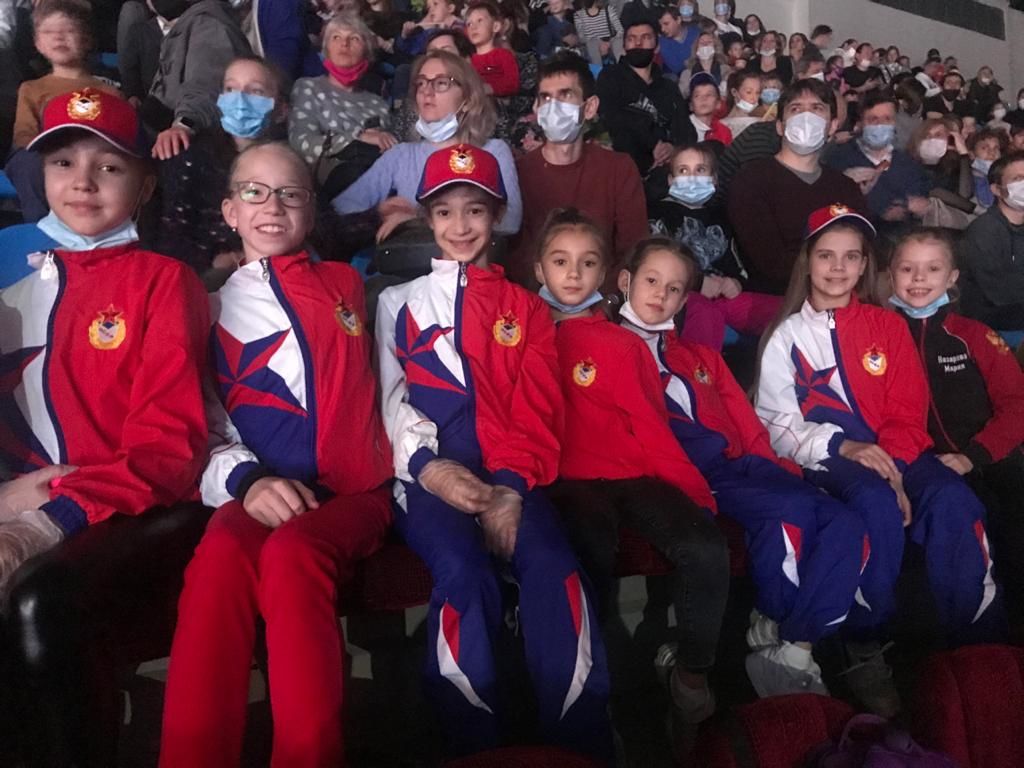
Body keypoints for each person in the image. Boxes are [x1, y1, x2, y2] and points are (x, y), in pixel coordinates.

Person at [158, 141, 392, 767]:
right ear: (230, 210)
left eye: (290, 194)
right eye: (255, 192)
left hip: (355, 494)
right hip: (257, 490)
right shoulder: (205, 307)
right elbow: (199, 423)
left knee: (292, 555)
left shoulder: (346, 284)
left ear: (310, 211)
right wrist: (247, 482)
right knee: (219, 557)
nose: (272, 206)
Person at [375, 144, 611, 760]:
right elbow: (390, 401)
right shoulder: (396, 304)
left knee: (556, 568)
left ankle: (579, 744)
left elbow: (538, 407)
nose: (460, 226)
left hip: (513, 478)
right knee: (464, 573)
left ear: (498, 215)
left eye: (475, 210)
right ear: (428, 218)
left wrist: (508, 487)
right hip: (426, 478)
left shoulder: (527, 308)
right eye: (445, 211)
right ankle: (470, 743)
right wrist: (429, 468)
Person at [0, 87, 209, 765]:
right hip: (20, 501)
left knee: (38, 598)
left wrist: (45, 520)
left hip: (130, 505)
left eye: (110, 166)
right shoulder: (12, 285)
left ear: (144, 186)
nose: (83, 181)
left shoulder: (163, 280)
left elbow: (168, 447)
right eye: (63, 163)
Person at [757, 205, 1003, 681]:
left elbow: (908, 411)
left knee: (953, 499)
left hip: (899, 453)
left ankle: (979, 648)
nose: (838, 267)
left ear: (865, 265)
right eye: (826, 255)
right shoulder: (785, 337)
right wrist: (842, 447)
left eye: (851, 256)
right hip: (829, 459)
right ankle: (865, 643)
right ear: (807, 262)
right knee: (875, 503)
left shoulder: (886, 325)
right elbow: (777, 424)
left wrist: (893, 467)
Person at [617, 236, 868, 698]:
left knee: (846, 521)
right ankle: (784, 641)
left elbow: (746, 423)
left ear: (684, 300)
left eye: (674, 288)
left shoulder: (699, 357)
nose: (661, 294)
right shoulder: (609, 351)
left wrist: (775, 467)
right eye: (651, 281)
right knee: (792, 512)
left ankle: (789, 645)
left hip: (742, 466)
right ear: (625, 282)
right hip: (695, 476)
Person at [535, 208, 729, 729]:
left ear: (605, 275)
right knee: (590, 545)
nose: (573, 274)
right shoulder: (523, 335)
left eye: (587, 263)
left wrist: (696, 496)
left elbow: (652, 429)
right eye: (560, 261)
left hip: (632, 475)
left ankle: (691, 676)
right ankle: (591, 685)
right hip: (563, 480)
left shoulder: (622, 345)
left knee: (705, 547)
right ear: (540, 269)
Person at [888, 228, 1024, 623]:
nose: (918, 278)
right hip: (921, 466)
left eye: (933, 269)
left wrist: (973, 456)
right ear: (889, 274)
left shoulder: (975, 335)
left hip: (991, 457)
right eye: (907, 268)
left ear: (952, 277)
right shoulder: (879, 335)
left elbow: (1017, 405)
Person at [334, 49, 521, 243]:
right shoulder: (401, 155)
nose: (426, 91)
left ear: (467, 100)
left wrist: (418, 221)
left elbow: (510, 222)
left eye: (441, 83)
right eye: (421, 83)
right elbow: (340, 209)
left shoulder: (494, 151)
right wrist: (377, 214)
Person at [507, 51, 646, 289]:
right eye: (546, 98)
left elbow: (633, 251)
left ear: (589, 107)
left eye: (565, 95)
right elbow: (517, 259)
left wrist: (603, 302)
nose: (554, 107)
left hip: (603, 300)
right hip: (535, 302)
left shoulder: (619, 169)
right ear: (537, 108)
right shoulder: (517, 174)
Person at [727, 78, 865, 295]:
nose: (806, 117)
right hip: (776, 300)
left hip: (842, 298)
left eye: (817, 108)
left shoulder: (846, 188)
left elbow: (863, 251)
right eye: (796, 109)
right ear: (780, 126)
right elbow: (770, 263)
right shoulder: (751, 181)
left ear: (833, 126)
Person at [153, 56, 287, 277]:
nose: (240, 100)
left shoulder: (288, 164)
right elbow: (172, 235)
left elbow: (316, 227)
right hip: (206, 275)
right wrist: (216, 261)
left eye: (256, 92)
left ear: (281, 110)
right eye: (231, 89)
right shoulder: (193, 157)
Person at [649, 142, 780, 349]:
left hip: (725, 297)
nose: (692, 178)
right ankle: (701, 369)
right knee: (704, 314)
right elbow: (655, 264)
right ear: (671, 179)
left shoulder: (722, 216)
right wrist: (698, 283)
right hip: (683, 298)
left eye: (700, 170)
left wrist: (736, 282)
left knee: (785, 310)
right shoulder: (658, 213)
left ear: (714, 179)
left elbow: (737, 262)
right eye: (683, 171)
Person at [5, 0, 122, 222]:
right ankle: (43, 227)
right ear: (38, 43)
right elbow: (23, 134)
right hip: (40, 155)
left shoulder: (108, 92)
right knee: (27, 161)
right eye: (49, 32)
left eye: (68, 31)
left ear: (87, 39)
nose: (58, 37)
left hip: (88, 158)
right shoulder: (31, 88)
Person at [288, 12, 393, 198]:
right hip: (327, 188)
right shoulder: (307, 87)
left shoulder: (378, 103)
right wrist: (356, 137)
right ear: (326, 48)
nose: (344, 44)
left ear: (367, 51)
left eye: (354, 38)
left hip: (377, 184)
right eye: (336, 37)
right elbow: (301, 143)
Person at [145, 0, 252, 161]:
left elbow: (207, 87)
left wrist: (184, 125)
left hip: (187, 148)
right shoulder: (192, 23)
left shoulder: (208, 24)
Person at [596, 19, 697, 174]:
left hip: (670, 169)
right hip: (626, 168)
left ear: (657, 47)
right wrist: (653, 143)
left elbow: (685, 128)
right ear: (624, 46)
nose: (638, 43)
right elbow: (612, 117)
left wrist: (672, 147)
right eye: (631, 39)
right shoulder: (610, 77)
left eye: (646, 37)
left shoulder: (668, 86)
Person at [823, 91, 932, 230]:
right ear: (861, 123)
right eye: (873, 119)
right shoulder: (839, 159)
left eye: (887, 119)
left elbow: (920, 203)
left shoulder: (908, 163)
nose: (880, 125)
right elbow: (830, 208)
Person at [959, 152, 1024, 331]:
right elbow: (999, 293)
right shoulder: (983, 230)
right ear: (996, 189)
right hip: (994, 324)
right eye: (1018, 179)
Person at [466, 0, 520, 96]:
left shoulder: (504, 55)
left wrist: (491, 88)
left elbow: (512, 84)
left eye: (480, 21)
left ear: (495, 26)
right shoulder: (468, 61)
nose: (473, 27)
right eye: (469, 24)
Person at [573, 0, 623, 68]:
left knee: (618, 41)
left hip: (610, 42)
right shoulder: (578, 15)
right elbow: (582, 38)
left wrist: (609, 43)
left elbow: (620, 30)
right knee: (592, 43)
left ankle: (621, 66)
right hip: (592, 45)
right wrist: (598, 42)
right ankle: (598, 70)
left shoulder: (608, 9)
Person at [680, 31, 731, 97]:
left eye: (709, 42)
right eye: (701, 42)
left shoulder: (725, 69)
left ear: (715, 48)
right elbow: (682, 95)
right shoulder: (687, 73)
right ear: (696, 49)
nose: (705, 44)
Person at [687, 72, 731, 146]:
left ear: (718, 103)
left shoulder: (724, 132)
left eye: (709, 95)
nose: (703, 99)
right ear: (691, 105)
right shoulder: (683, 128)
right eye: (697, 95)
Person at [968, 128, 1007, 210]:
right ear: (972, 154)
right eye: (984, 148)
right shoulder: (969, 177)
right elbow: (987, 202)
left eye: (996, 148)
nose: (992, 152)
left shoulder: (1005, 176)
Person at [720, 70, 762, 138]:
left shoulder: (761, 122)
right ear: (734, 92)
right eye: (749, 92)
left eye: (757, 93)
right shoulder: (721, 125)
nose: (754, 98)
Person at [657, 6, 697, 79]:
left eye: (666, 24)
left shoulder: (696, 33)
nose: (662, 29)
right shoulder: (663, 42)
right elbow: (678, 68)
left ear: (678, 20)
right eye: (660, 25)